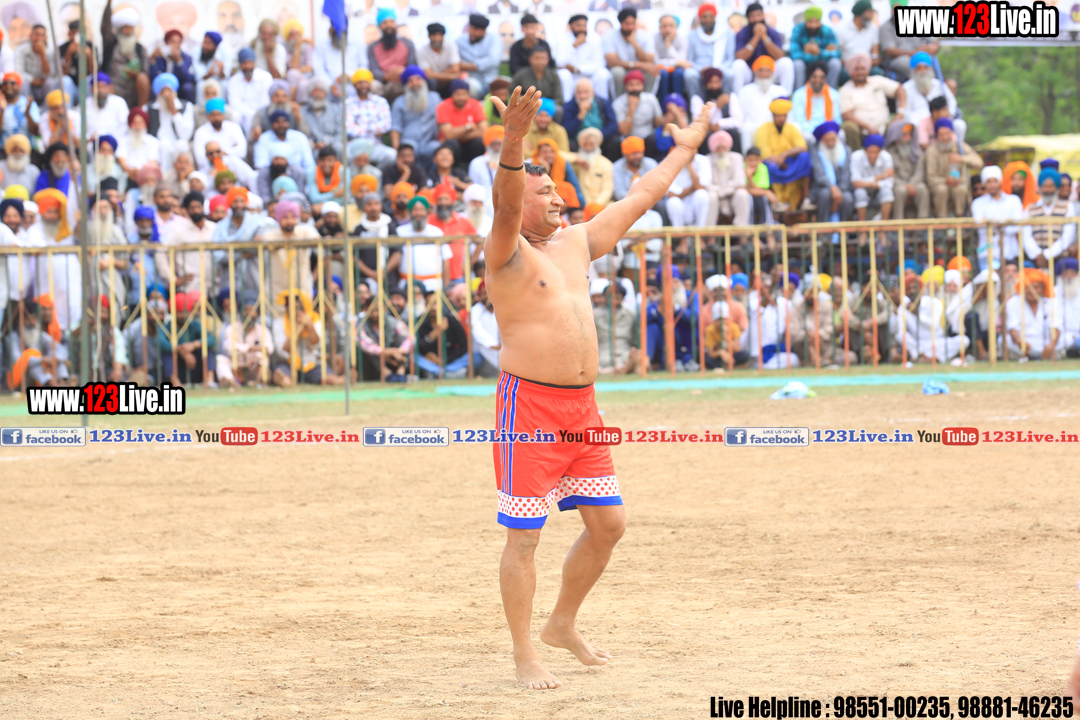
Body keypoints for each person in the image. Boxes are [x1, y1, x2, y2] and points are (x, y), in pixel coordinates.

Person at [482, 84, 712, 690]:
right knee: (524, 537)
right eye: (544, 192)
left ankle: (561, 623)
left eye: (557, 190)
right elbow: (505, 206)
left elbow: (640, 197)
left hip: (582, 409)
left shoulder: (577, 242)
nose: (557, 198)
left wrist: (684, 149)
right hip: (528, 407)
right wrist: (514, 139)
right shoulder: (505, 250)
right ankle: (524, 653)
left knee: (609, 525)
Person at [839, 53, 905, 153]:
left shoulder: (877, 80)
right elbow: (847, 115)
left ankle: (896, 158)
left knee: (901, 124)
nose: (860, 72)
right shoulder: (845, 90)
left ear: (867, 69)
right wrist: (869, 127)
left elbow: (899, 89)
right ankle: (854, 156)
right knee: (848, 126)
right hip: (862, 131)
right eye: (856, 69)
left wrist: (900, 112)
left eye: (863, 68)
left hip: (885, 127)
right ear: (851, 71)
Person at [755, 98, 810, 211]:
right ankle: (776, 202)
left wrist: (785, 155)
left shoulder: (792, 128)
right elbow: (764, 151)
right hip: (773, 162)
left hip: (789, 162)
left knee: (805, 157)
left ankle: (806, 199)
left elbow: (801, 146)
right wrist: (778, 160)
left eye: (784, 115)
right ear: (773, 116)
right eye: (779, 116)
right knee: (767, 166)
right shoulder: (763, 129)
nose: (781, 118)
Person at [903, 52, 965, 147]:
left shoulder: (939, 85)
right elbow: (905, 112)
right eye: (919, 68)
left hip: (940, 120)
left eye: (925, 67)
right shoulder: (906, 88)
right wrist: (921, 120)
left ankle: (956, 149)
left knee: (959, 125)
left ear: (930, 69)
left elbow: (951, 102)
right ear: (914, 70)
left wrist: (945, 116)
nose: (922, 71)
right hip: (919, 122)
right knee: (916, 126)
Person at [927, 118, 982, 222]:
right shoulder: (932, 150)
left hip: (958, 184)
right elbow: (931, 177)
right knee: (942, 190)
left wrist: (961, 158)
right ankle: (942, 223)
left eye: (947, 133)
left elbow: (979, 162)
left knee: (959, 189)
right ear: (937, 135)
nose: (945, 137)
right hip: (940, 186)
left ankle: (960, 222)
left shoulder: (959, 146)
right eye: (941, 134)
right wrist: (946, 180)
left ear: (952, 133)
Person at [732, 3, 793, 94]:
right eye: (753, 16)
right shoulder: (742, 33)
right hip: (751, 73)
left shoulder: (772, 32)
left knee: (786, 62)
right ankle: (737, 98)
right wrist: (756, 37)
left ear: (763, 16)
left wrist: (764, 37)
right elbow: (739, 57)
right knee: (738, 65)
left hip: (770, 71)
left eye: (759, 15)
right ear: (748, 18)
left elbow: (780, 55)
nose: (757, 19)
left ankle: (785, 97)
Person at [971, 165, 1022, 272]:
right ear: (984, 184)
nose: (992, 185)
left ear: (1000, 182)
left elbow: (1017, 226)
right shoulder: (977, 203)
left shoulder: (1013, 200)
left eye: (995, 181)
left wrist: (991, 224)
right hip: (987, 254)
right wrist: (1006, 223)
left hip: (1010, 253)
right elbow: (980, 226)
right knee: (989, 281)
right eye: (989, 181)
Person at [1022, 167, 1077, 265]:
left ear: (1056, 188)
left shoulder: (1067, 206)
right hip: (1036, 258)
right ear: (1040, 187)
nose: (1048, 190)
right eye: (1045, 186)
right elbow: (1026, 236)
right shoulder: (1030, 209)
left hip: (1060, 258)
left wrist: (1048, 255)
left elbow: (1068, 236)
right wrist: (1038, 254)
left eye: (1051, 186)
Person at [100, 2, 150, 110]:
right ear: (119, 29)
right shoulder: (111, 45)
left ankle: (142, 111)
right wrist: (108, 4)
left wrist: (135, 73)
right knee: (105, 83)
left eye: (130, 28)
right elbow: (105, 27)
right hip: (115, 84)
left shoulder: (140, 49)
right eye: (125, 28)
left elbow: (145, 71)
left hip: (133, 87)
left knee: (143, 78)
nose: (128, 31)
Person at [345, 69, 395, 171]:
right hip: (354, 144)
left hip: (374, 144)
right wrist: (373, 128)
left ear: (370, 84)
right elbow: (348, 128)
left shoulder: (380, 102)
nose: (363, 85)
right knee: (343, 155)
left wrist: (359, 126)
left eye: (366, 82)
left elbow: (386, 125)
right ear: (354, 85)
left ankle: (376, 175)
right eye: (359, 83)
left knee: (392, 155)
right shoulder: (347, 103)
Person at [396, 196, 451, 291]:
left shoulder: (436, 232)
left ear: (427, 212)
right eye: (415, 210)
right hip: (407, 284)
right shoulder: (400, 232)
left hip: (434, 284)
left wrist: (446, 286)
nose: (418, 213)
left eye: (422, 210)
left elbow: (445, 260)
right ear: (410, 212)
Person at [1005, 268, 1061, 360]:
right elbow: (1012, 327)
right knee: (1005, 341)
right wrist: (1019, 341)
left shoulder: (1051, 302)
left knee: (1064, 340)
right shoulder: (1013, 302)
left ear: (1042, 289)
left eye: (1036, 287)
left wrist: (1052, 344)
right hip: (1022, 344)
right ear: (1023, 288)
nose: (1032, 290)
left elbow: (1056, 326)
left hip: (1046, 343)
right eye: (1028, 287)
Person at [735, 56, 787, 152]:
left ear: (772, 73)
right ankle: (748, 158)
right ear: (755, 73)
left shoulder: (780, 91)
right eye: (760, 70)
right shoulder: (745, 90)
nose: (764, 74)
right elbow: (741, 116)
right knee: (746, 128)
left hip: (773, 127)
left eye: (767, 70)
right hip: (753, 127)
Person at [556, 15, 612, 103]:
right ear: (571, 26)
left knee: (603, 74)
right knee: (563, 74)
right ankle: (567, 105)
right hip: (572, 77)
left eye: (584, 25)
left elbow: (600, 63)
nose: (582, 28)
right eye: (578, 25)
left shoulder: (595, 38)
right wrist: (574, 46)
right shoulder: (562, 39)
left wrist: (579, 70)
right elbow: (560, 63)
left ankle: (602, 104)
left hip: (591, 76)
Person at [879, 0, 938, 82]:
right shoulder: (885, 27)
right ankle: (917, 85)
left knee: (926, 59)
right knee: (907, 62)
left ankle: (933, 85)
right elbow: (890, 51)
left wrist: (933, 47)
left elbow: (935, 41)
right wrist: (913, 53)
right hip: (899, 59)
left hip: (919, 55)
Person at [604, 8, 658, 96]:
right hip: (622, 70)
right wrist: (641, 65)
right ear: (620, 23)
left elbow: (649, 60)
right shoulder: (609, 36)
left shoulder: (645, 36)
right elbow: (613, 62)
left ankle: (646, 100)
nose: (630, 27)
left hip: (639, 71)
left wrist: (634, 43)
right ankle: (620, 100)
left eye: (632, 23)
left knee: (652, 70)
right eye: (626, 24)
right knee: (617, 71)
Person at [561, 79, 620, 160]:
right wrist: (580, 115)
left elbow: (613, 125)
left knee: (615, 141)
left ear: (593, 92)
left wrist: (597, 135)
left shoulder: (603, 103)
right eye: (579, 93)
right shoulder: (569, 106)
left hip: (601, 138)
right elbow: (566, 131)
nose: (583, 96)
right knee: (569, 143)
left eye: (586, 92)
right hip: (579, 141)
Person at [368, 9, 417, 104]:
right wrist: (386, 76)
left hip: (402, 79)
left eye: (391, 22)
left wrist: (402, 72)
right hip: (383, 82)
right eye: (385, 23)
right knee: (372, 85)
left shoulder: (408, 43)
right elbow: (373, 69)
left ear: (396, 24)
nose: (389, 25)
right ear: (380, 26)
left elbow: (412, 65)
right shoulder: (373, 47)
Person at [436, 79, 488, 165]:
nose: (461, 98)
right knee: (452, 142)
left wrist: (457, 134)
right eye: (457, 94)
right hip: (453, 146)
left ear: (468, 94)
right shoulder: (443, 106)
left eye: (464, 94)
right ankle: (454, 169)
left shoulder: (475, 104)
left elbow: (484, 131)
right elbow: (448, 135)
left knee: (480, 142)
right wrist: (468, 127)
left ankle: (475, 167)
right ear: (452, 94)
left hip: (470, 145)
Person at [686, 4, 733, 100]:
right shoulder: (692, 36)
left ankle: (726, 104)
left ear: (715, 17)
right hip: (700, 70)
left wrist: (717, 70)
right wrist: (701, 69)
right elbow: (689, 60)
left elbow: (730, 59)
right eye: (704, 17)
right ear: (700, 18)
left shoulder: (727, 35)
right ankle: (697, 103)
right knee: (689, 74)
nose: (708, 20)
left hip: (721, 68)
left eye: (711, 16)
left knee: (730, 74)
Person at [809, 121, 853, 223]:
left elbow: (846, 174)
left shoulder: (846, 150)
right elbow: (819, 175)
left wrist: (838, 192)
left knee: (847, 198)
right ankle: (824, 229)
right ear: (822, 141)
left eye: (833, 139)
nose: (831, 143)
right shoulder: (816, 152)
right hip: (822, 188)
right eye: (827, 140)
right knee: (825, 195)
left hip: (842, 188)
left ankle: (843, 229)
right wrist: (833, 188)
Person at [612, 69, 663, 155]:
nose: (635, 88)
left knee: (654, 139)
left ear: (642, 86)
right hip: (628, 138)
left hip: (648, 137)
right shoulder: (618, 103)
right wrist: (631, 108)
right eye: (631, 85)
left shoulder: (651, 99)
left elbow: (659, 123)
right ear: (625, 86)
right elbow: (624, 131)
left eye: (638, 84)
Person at [706, 130, 751, 226]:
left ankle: (741, 230)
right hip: (716, 195)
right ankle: (710, 232)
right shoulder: (707, 160)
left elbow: (740, 182)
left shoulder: (737, 157)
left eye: (723, 147)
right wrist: (724, 190)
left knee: (742, 194)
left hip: (731, 195)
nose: (721, 151)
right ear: (713, 148)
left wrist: (723, 190)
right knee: (711, 196)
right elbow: (707, 185)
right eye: (718, 148)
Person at [790, 7, 841, 90]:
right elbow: (794, 54)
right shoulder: (798, 29)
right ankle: (798, 93)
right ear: (805, 20)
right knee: (797, 64)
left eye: (816, 22)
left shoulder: (827, 31)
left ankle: (831, 93)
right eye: (810, 22)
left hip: (823, 63)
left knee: (835, 63)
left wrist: (818, 52)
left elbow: (837, 54)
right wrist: (823, 53)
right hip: (805, 64)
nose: (813, 26)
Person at [227, 48, 274, 135]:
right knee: (234, 115)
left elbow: (265, 102)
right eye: (244, 63)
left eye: (250, 63)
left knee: (253, 117)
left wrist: (251, 112)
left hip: (260, 112)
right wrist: (248, 112)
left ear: (254, 63)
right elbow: (234, 104)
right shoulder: (233, 80)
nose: (247, 66)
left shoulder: (265, 77)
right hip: (241, 113)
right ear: (240, 65)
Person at [885, 121, 928, 220]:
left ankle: (923, 223)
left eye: (910, 134)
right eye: (905, 134)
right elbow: (890, 175)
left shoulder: (917, 150)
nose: (908, 137)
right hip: (898, 184)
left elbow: (920, 171)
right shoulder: (888, 153)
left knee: (922, 189)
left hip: (915, 183)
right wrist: (905, 185)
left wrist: (911, 184)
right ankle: (898, 223)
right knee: (900, 191)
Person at [789, 62, 840, 145]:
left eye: (821, 77)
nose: (818, 80)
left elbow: (837, 119)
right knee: (804, 134)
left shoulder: (834, 94)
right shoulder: (799, 94)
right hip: (808, 132)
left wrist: (826, 131)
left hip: (828, 130)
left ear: (825, 79)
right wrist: (816, 132)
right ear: (809, 77)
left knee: (841, 134)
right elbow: (799, 120)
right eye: (814, 77)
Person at [850, 134, 894, 227]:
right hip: (863, 193)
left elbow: (889, 183)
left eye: (876, 152)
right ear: (864, 150)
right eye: (870, 152)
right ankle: (862, 230)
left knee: (887, 193)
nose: (873, 155)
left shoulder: (886, 157)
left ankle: (883, 229)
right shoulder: (856, 157)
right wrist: (880, 177)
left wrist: (867, 183)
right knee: (860, 193)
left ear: (880, 151)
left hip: (878, 193)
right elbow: (855, 183)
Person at [253, 110, 315, 175]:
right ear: (271, 124)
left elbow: (309, 165)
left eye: (284, 121)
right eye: (277, 121)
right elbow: (261, 166)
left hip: (298, 178)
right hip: (272, 177)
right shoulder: (264, 139)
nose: (281, 125)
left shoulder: (300, 138)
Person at [312, 27, 366, 102]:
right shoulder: (322, 46)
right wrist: (330, 85)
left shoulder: (357, 44)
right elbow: (318, 69)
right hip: (328, 84)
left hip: (353, 83)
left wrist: (350, 76)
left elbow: (364, 66)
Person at [457, 15, 501, 99]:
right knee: (467, 84)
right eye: (471, 28)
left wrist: (468, 66)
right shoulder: (460, 41)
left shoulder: (494, 39)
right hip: (470, 80)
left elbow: (493, 60)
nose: (472, 32)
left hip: (490, 81)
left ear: (484, 31)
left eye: (476, 30)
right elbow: (454, 61)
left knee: (507, 84)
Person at [511, 47, 563, 119]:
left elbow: (559, 98)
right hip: (528, 106)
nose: (540, 62)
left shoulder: (553, 75)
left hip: (549, 108)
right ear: (530, 59)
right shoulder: (521, 75)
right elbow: (512, 93)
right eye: (537, 58)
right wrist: (522, 99)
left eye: (543, 58)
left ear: (548, 60)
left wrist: (545, 105)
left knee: (559, 110)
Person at [569, 128, 614, 207]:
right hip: (581, 204)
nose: (588, 147)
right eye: (585, 144)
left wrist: (595, 205)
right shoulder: (577, 159)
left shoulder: (606, 164)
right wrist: (577, 160)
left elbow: (607, 190)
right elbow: (559, 155)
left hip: (601, 205)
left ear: (596, 145)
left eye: (591, 144)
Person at [149, 29, 196, 103]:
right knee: (153, 88)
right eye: (172, 42)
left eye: (178, 42)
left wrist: (179, 61)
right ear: (166, 42)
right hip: (162, 87)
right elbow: (153, 77)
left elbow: (189, 79)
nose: (175, 45)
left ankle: (187, 107)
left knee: (188, 87)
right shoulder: (159, 56)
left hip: (179, 88)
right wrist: (153, 59)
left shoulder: (186, 58)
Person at [653, 14, 692, 101]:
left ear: (675, 26)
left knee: (678, 74)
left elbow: (682, 59)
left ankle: (679, 104)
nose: (668, 29)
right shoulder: (654, 39)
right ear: (660, 27)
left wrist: (668, 44)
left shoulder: (682, 39)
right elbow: (655, 61)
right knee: (663, 74)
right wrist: (676, 63)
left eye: (671, 26)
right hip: (661, 69)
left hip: (676, 69)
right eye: (664, 26)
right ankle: (663, 105)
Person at [301, 78, 344, 157]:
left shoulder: (334, 109)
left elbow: (340, 132)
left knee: (340, 148)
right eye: (315, 90)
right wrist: (315, 144)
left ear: (326, 94)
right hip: (312, 144)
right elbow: (301, 133)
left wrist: (327, 142)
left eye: (321, 91)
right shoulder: (302, 111)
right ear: (310, 93)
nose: (318, 94)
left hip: (331, 143)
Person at [417, 24, 460, 97]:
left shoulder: (451, 46)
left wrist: (437, 76)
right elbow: (428, 74)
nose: (437, 38)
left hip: (446, 81)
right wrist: (450, 76)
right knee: (431, 82)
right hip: (434, 82)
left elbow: (455, 69)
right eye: (434, 35)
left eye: (440, 35)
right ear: (429, 36)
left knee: (457, 82)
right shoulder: (422, 51)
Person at [85, 72, 130, 142]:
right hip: (91, 143)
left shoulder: (119, 102)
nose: (100, 90)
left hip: (115, 143)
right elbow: (80, 128)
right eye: (97, 87)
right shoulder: (85, 104)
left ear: (110, 88)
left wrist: (110, 141)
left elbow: (124, 126)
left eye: (104, 86)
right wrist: (88, 138)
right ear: (91, 89)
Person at [837, 0, 879, 72]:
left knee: (877, 71)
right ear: (860, 12)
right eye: (869, 12)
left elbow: (875, 51)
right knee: (842, 73)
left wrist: (873, 60)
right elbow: (839, 53)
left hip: (868, 65)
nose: (872, 15)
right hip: (848, 66)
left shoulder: (873, 28)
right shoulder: (842, 29)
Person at [0, 73, 40, 144]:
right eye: (5, 83)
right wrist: (2, 111)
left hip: (26, 147)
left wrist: (27, 113)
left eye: (13, 83)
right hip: (3, 147)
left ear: (19, 86)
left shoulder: (28, 103)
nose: (8, 86)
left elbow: (36, 132)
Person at [193, 31, 232, 103]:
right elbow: (199, 74)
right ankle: (201, 107)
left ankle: (220, 107)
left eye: (208, 43)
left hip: (219, 80)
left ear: (215, 46)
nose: (205, 46)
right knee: (200, 85)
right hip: (205, 79)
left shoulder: (226, 52)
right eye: (204, 42)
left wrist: (222, 71)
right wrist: (210, 73)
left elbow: (226, 75)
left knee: (224, 85)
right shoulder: (197, 51)